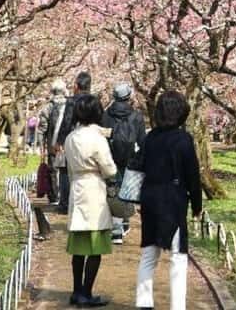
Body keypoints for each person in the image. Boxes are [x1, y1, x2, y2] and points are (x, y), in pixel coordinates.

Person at [135, 91, 203, 310]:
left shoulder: (150, 137)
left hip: (150, 198)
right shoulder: (183, 139)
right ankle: (177, 306)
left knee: (148, 253)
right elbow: (193, 175)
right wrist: (196, 204)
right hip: (172, 202)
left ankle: (144, 303)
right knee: (178, 257)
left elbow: (140, 166)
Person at [64, 94, 117, 307]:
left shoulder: (71, 137)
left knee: (78, 247)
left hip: (77, 188)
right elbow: (109, 169)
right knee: (95, 246)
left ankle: (77, 291)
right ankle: (87, 292)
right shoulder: (97, 138)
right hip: (94, 189)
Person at [100, 82, 146, 245]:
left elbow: (102, 138)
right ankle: (124, 222)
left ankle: (116, 230)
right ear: (128, 97)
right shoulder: (137, 116)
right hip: (130, 158)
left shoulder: (106, 115)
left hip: (109, 157)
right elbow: (142, 141)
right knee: (127, 190)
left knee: (112, 191)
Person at [55, 71, 93, 213]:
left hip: (72, 139)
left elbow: (66, 122)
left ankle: (65, 203)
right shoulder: (94, 100)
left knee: (65, 171)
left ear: (76, 85)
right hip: (90, 139)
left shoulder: (71, 101)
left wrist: (60, 141)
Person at [36, 80, 68, 205]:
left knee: (53, 170)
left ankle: (54, 197)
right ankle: (65, 197)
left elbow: (42, 129)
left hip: (52, 144)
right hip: (68, 145)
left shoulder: (47, 107)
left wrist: (41, 147)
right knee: (66, 171)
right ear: (64, 91)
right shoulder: (71, 106)